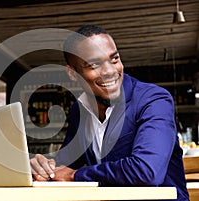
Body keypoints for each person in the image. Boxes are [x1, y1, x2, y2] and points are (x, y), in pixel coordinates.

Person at [30, 25, 189, 201]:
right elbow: (64, 166)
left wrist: (74, 175)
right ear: (73, 74)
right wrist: (44, 169)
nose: (109, 71)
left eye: (114, 59)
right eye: (94, 64)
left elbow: (146, 171)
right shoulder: (79, 109)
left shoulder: (153, 100)